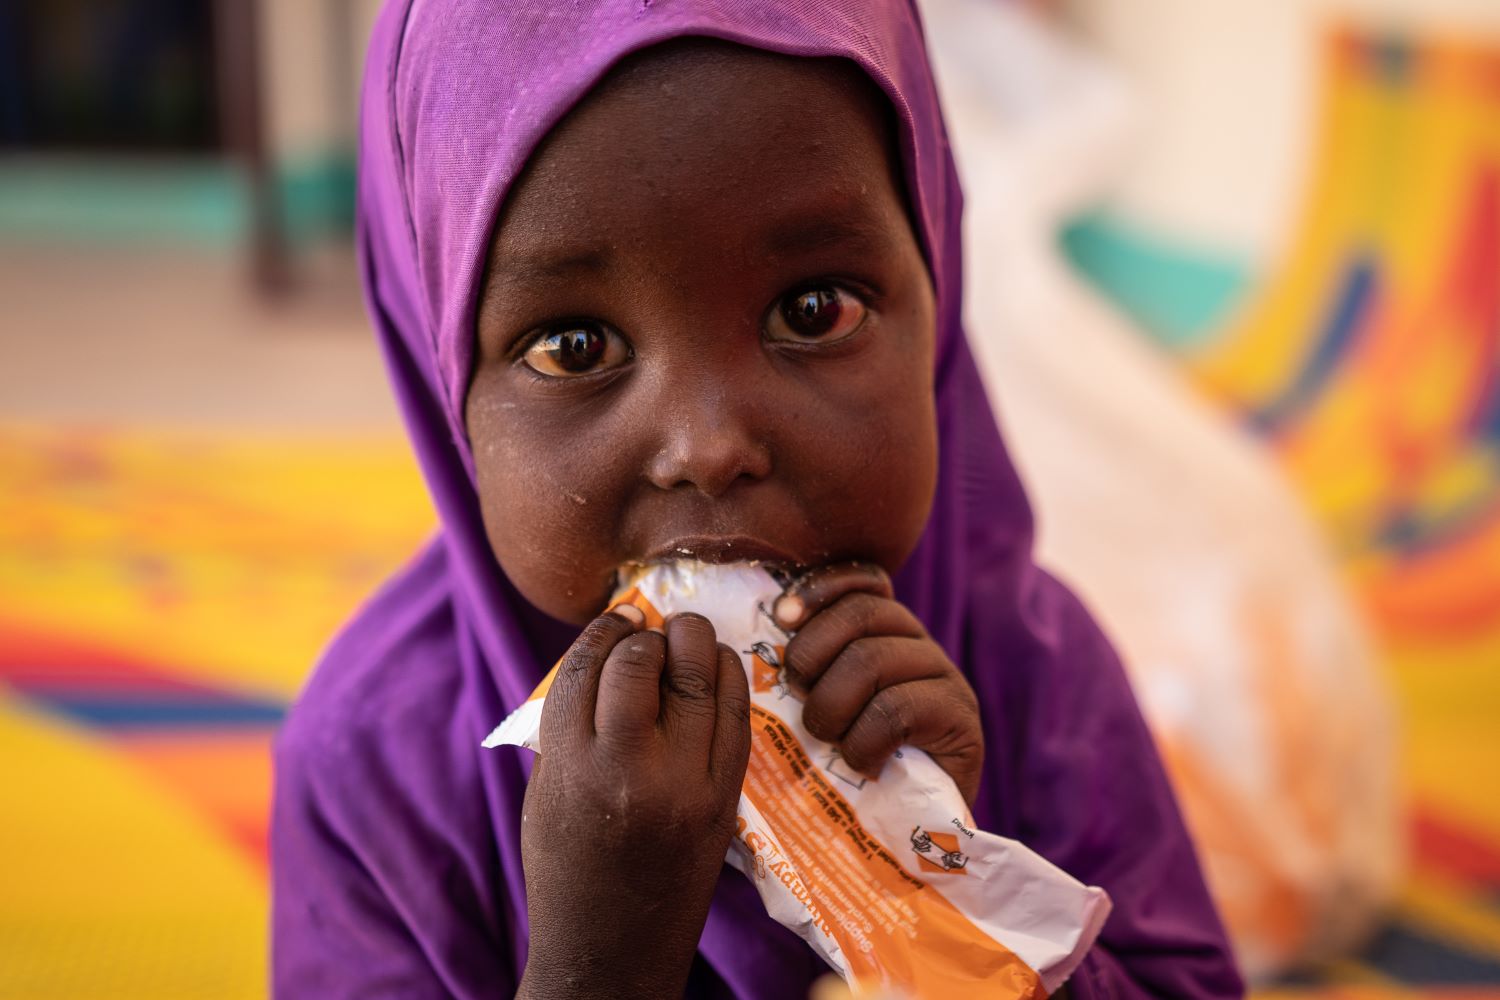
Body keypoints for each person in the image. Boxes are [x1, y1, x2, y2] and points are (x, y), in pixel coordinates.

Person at [270, 2, 1245, 997]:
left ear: (938, 304)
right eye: (576, 346)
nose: (710, 448)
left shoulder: (1033, 670)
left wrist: (947, 896)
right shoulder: (373, 763)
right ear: (447, 396)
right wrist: (596, 966)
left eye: (812, 309)